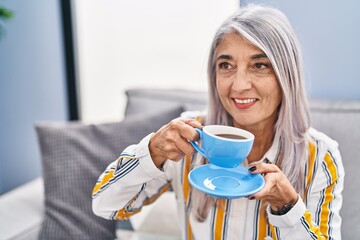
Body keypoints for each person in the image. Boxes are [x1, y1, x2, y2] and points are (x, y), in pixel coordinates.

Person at [92, 4, 344, 240]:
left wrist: (287, 207)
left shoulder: (320, 156)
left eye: (259, 65)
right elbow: (106, 205)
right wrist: (152, 151)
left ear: (285, 75)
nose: (239, 85)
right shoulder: (188, 137)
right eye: (226, 65)